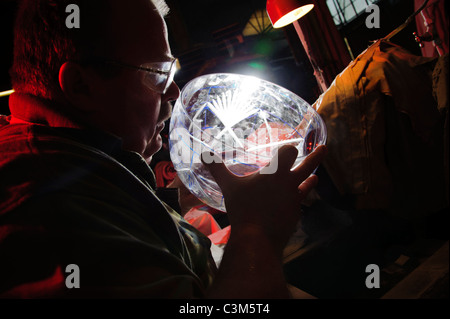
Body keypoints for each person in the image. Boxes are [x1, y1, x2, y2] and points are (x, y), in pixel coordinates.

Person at [0, 0, 327, 298]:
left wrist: (189, 222)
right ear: (81, 86)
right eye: (158, 74)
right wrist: (258, 230)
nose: (173, 91)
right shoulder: (48, 207)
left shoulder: (84, 167)